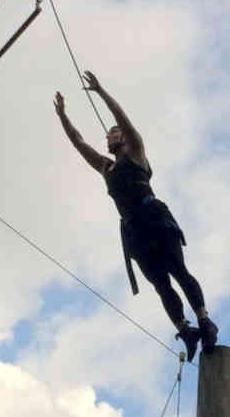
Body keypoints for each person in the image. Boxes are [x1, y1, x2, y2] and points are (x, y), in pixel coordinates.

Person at [54, 71, 217, 361]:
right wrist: (63, 116)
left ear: (124, 139)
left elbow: (124, 119)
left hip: (155, 219)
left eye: (113, 134)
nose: (109, 138)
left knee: (179, 272)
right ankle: (186, 330)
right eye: (108, 136)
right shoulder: (106, 168)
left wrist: (101, 92)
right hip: (135, 232)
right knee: (160, 285)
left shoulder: (137, 153)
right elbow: (79, 143)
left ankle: (204, 320)